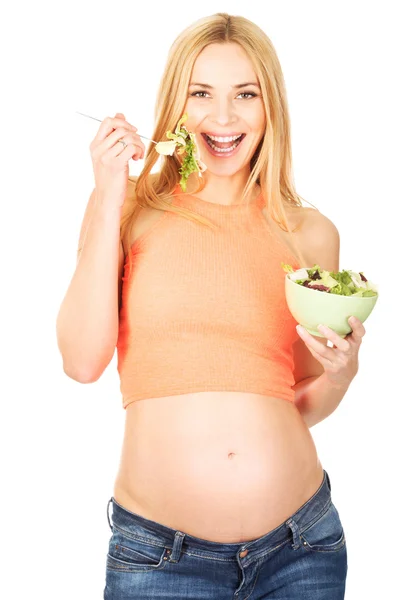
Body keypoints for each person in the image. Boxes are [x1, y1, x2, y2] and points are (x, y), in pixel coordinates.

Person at [57, 11, 365, 600]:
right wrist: (106, 193)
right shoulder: (128, 214)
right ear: (176, 104)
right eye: (202, 93)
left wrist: (342, 373)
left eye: (244, 94)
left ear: (269, 105)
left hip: (302, 549)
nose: (223, 118)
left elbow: (300, 400)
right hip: (160, 559)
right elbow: (81, 360)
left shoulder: (312, 233)